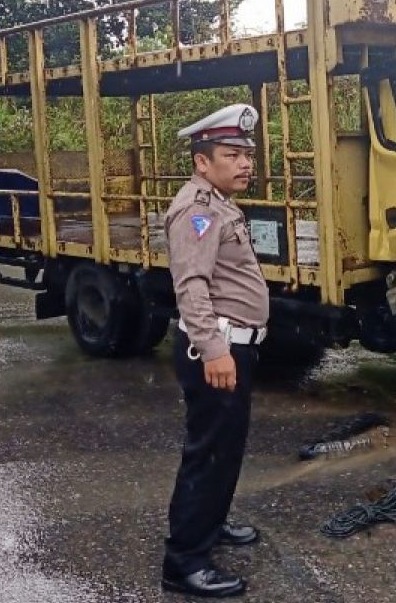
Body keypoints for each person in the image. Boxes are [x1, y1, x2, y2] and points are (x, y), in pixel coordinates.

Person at [161, 102, 269, 598]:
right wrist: (214, 350)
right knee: (206, 453)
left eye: (247, 154)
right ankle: (184, 562)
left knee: (226, 449)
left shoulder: (219, 201)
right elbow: (192, 286)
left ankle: (211, 523)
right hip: (217, 347)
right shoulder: (199, 209)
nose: (246, 163)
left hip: (233, 344)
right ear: (203, 161)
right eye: (232, 154)